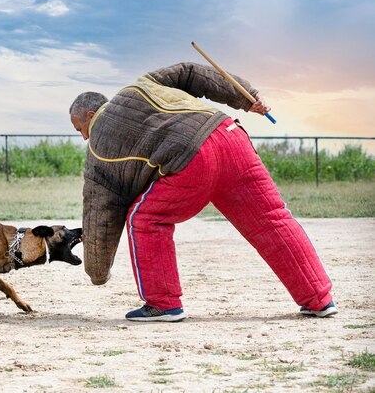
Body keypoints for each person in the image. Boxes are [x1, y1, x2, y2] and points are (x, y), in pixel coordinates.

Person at [69, 62, 337, 322]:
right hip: (231, 136)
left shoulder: (96, 151)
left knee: (145, 219)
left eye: (79, 128)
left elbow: (99, 216)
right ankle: (319, 298)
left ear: (90, 116)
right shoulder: (141, 86)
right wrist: (246, 96)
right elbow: (192, 72)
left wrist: (97, 273)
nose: (83, 137)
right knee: (271, 219)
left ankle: (163, 304)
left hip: (192, 160)